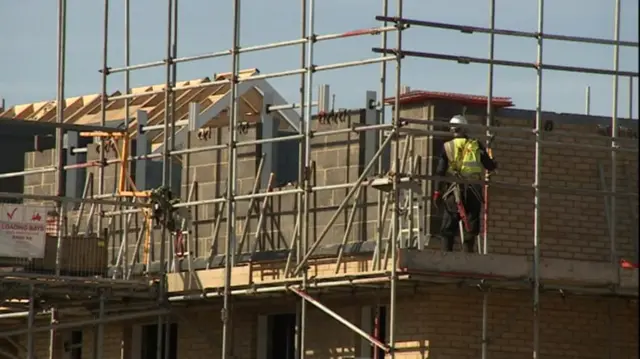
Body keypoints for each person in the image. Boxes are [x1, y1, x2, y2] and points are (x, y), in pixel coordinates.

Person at [432, 115, 497, 253]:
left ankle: (446, 256)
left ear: (452, 129)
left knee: (448, 227)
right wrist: (492, 160)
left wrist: (437, 192)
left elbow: (440, 172)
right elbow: (490, 166)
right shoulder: (476, 144)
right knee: (471, 225)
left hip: (454, 190)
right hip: (473, 189)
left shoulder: (448, 146)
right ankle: (468, 256)